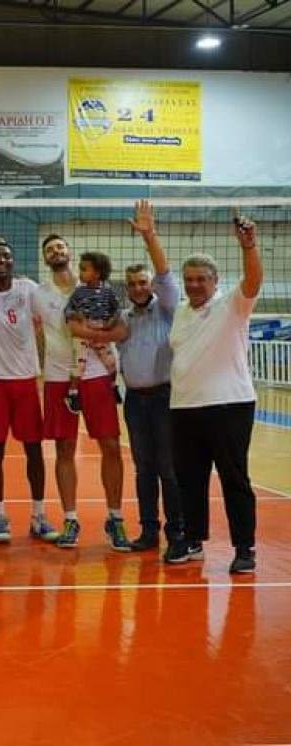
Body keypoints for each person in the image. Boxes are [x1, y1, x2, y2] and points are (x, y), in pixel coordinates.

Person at [166, 211, 263, 574]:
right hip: (184, 407)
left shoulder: (231, 305)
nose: (194, 285)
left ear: (215, 281)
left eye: (201, 279)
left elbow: (252, 281)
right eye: (189, 279)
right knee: (189, 480)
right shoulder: (180, 312)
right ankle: (193, 541)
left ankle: (245, 548)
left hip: (229, 406)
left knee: (234, 478)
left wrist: (248, 247)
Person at [33, 235, 127, 550]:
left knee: (110, 445)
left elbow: (121, 328)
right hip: (59, 376)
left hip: (97, 373)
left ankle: (115, 518)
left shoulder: (97, 286)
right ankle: (70, 519)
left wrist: (98, 335)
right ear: (45, 258)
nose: (55, 251)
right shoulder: (38, 293)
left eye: (60, 246)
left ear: (69, 253)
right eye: (49, 249)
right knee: (64, 449)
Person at [0, 241, 56, 543]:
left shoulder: (28, 288)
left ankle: (39, 515)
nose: (2, 260)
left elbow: (52, 306)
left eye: (7, 255)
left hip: (24, 380)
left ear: (13, 261)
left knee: (34, 449)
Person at [112, 199, 183, 553]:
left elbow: (166, 274)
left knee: (168, 469)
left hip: (164, 397)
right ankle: (149, 531)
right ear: (126, 289)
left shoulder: (167, 309)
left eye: (142, 282)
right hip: (135, 402)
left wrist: (149, 236)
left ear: (150, 285)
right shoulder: (123, 319)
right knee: (144, 469)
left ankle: (177, 532)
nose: (138, 288)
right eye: (132, 284)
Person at [63, 251, 121, 412]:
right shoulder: (79, 292)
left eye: (84, 269)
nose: (80, 272)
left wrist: (111, 322)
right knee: (79, 363)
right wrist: (76, 315)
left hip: (101, 331)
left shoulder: (108, 292)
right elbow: (67, 310)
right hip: (84, 330)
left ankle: (113, 387)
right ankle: (73, 393)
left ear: (97, 273)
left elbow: (118, 310)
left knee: (111, 362)